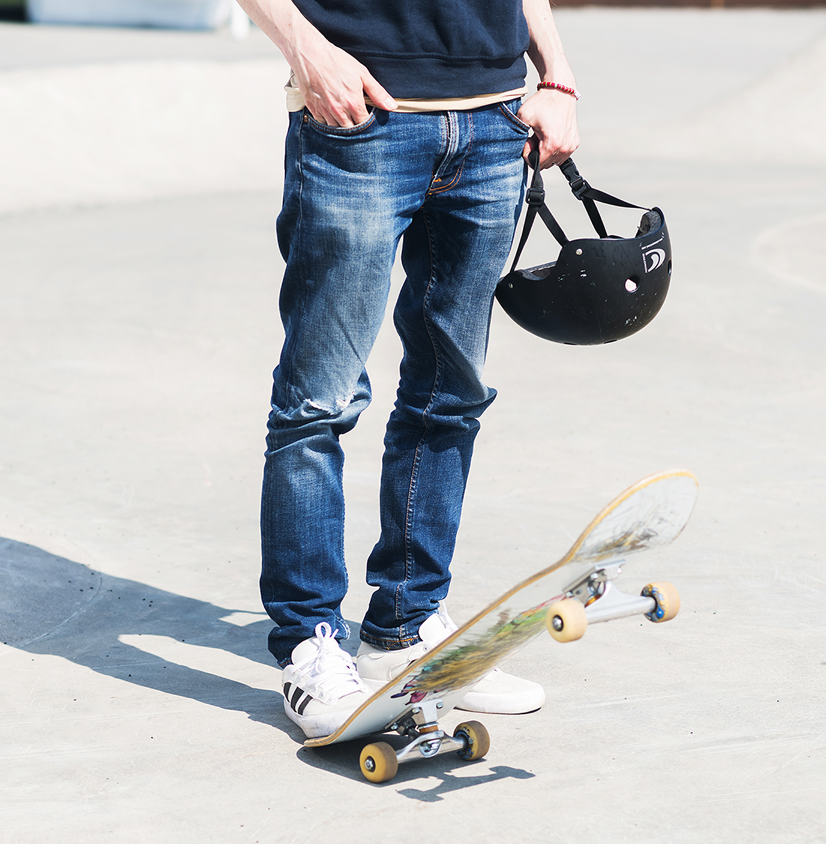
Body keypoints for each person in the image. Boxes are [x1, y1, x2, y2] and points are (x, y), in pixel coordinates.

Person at [236, 0, 581, 739]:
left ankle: (406, 625)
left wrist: (557, 74)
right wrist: (307, 51)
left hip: (494, 127)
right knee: (318, 402)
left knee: (450, 396)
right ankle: (310, 643)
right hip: (358, 119)